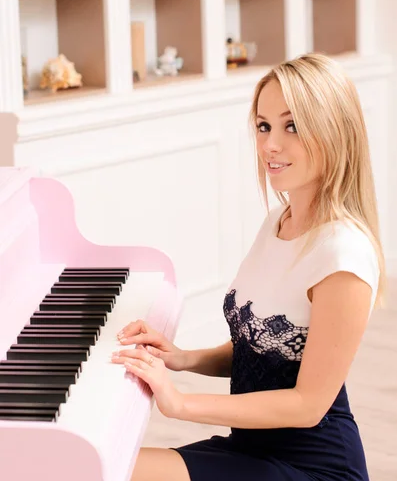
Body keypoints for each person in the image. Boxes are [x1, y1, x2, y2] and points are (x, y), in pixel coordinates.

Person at [111, 52, 386, 480]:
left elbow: (308, 403)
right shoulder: (280, 220)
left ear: (334, 132)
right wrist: (184, 358)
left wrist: (181, 402)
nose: (270, 144)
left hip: (312, 465)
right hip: (249, 447)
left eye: (291, 125)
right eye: (264, 126)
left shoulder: (344, 257)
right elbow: (262, 347)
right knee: (101, 465)